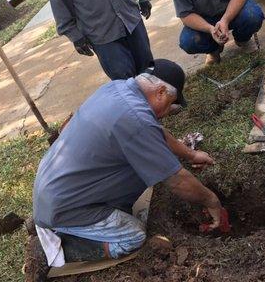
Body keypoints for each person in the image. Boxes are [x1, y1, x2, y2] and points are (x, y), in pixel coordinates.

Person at [32, 59, 223, 268]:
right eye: (171, 103)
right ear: (160, 91)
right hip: (65, 207)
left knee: (145, 165)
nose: (169, 110)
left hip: (55, 188)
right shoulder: (135, 119)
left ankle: (55, 223)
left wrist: (190, 155)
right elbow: (177, 181)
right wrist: (211, 200)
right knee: (133, 236)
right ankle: (55, 249)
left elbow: (155, 132)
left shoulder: (116, 89)